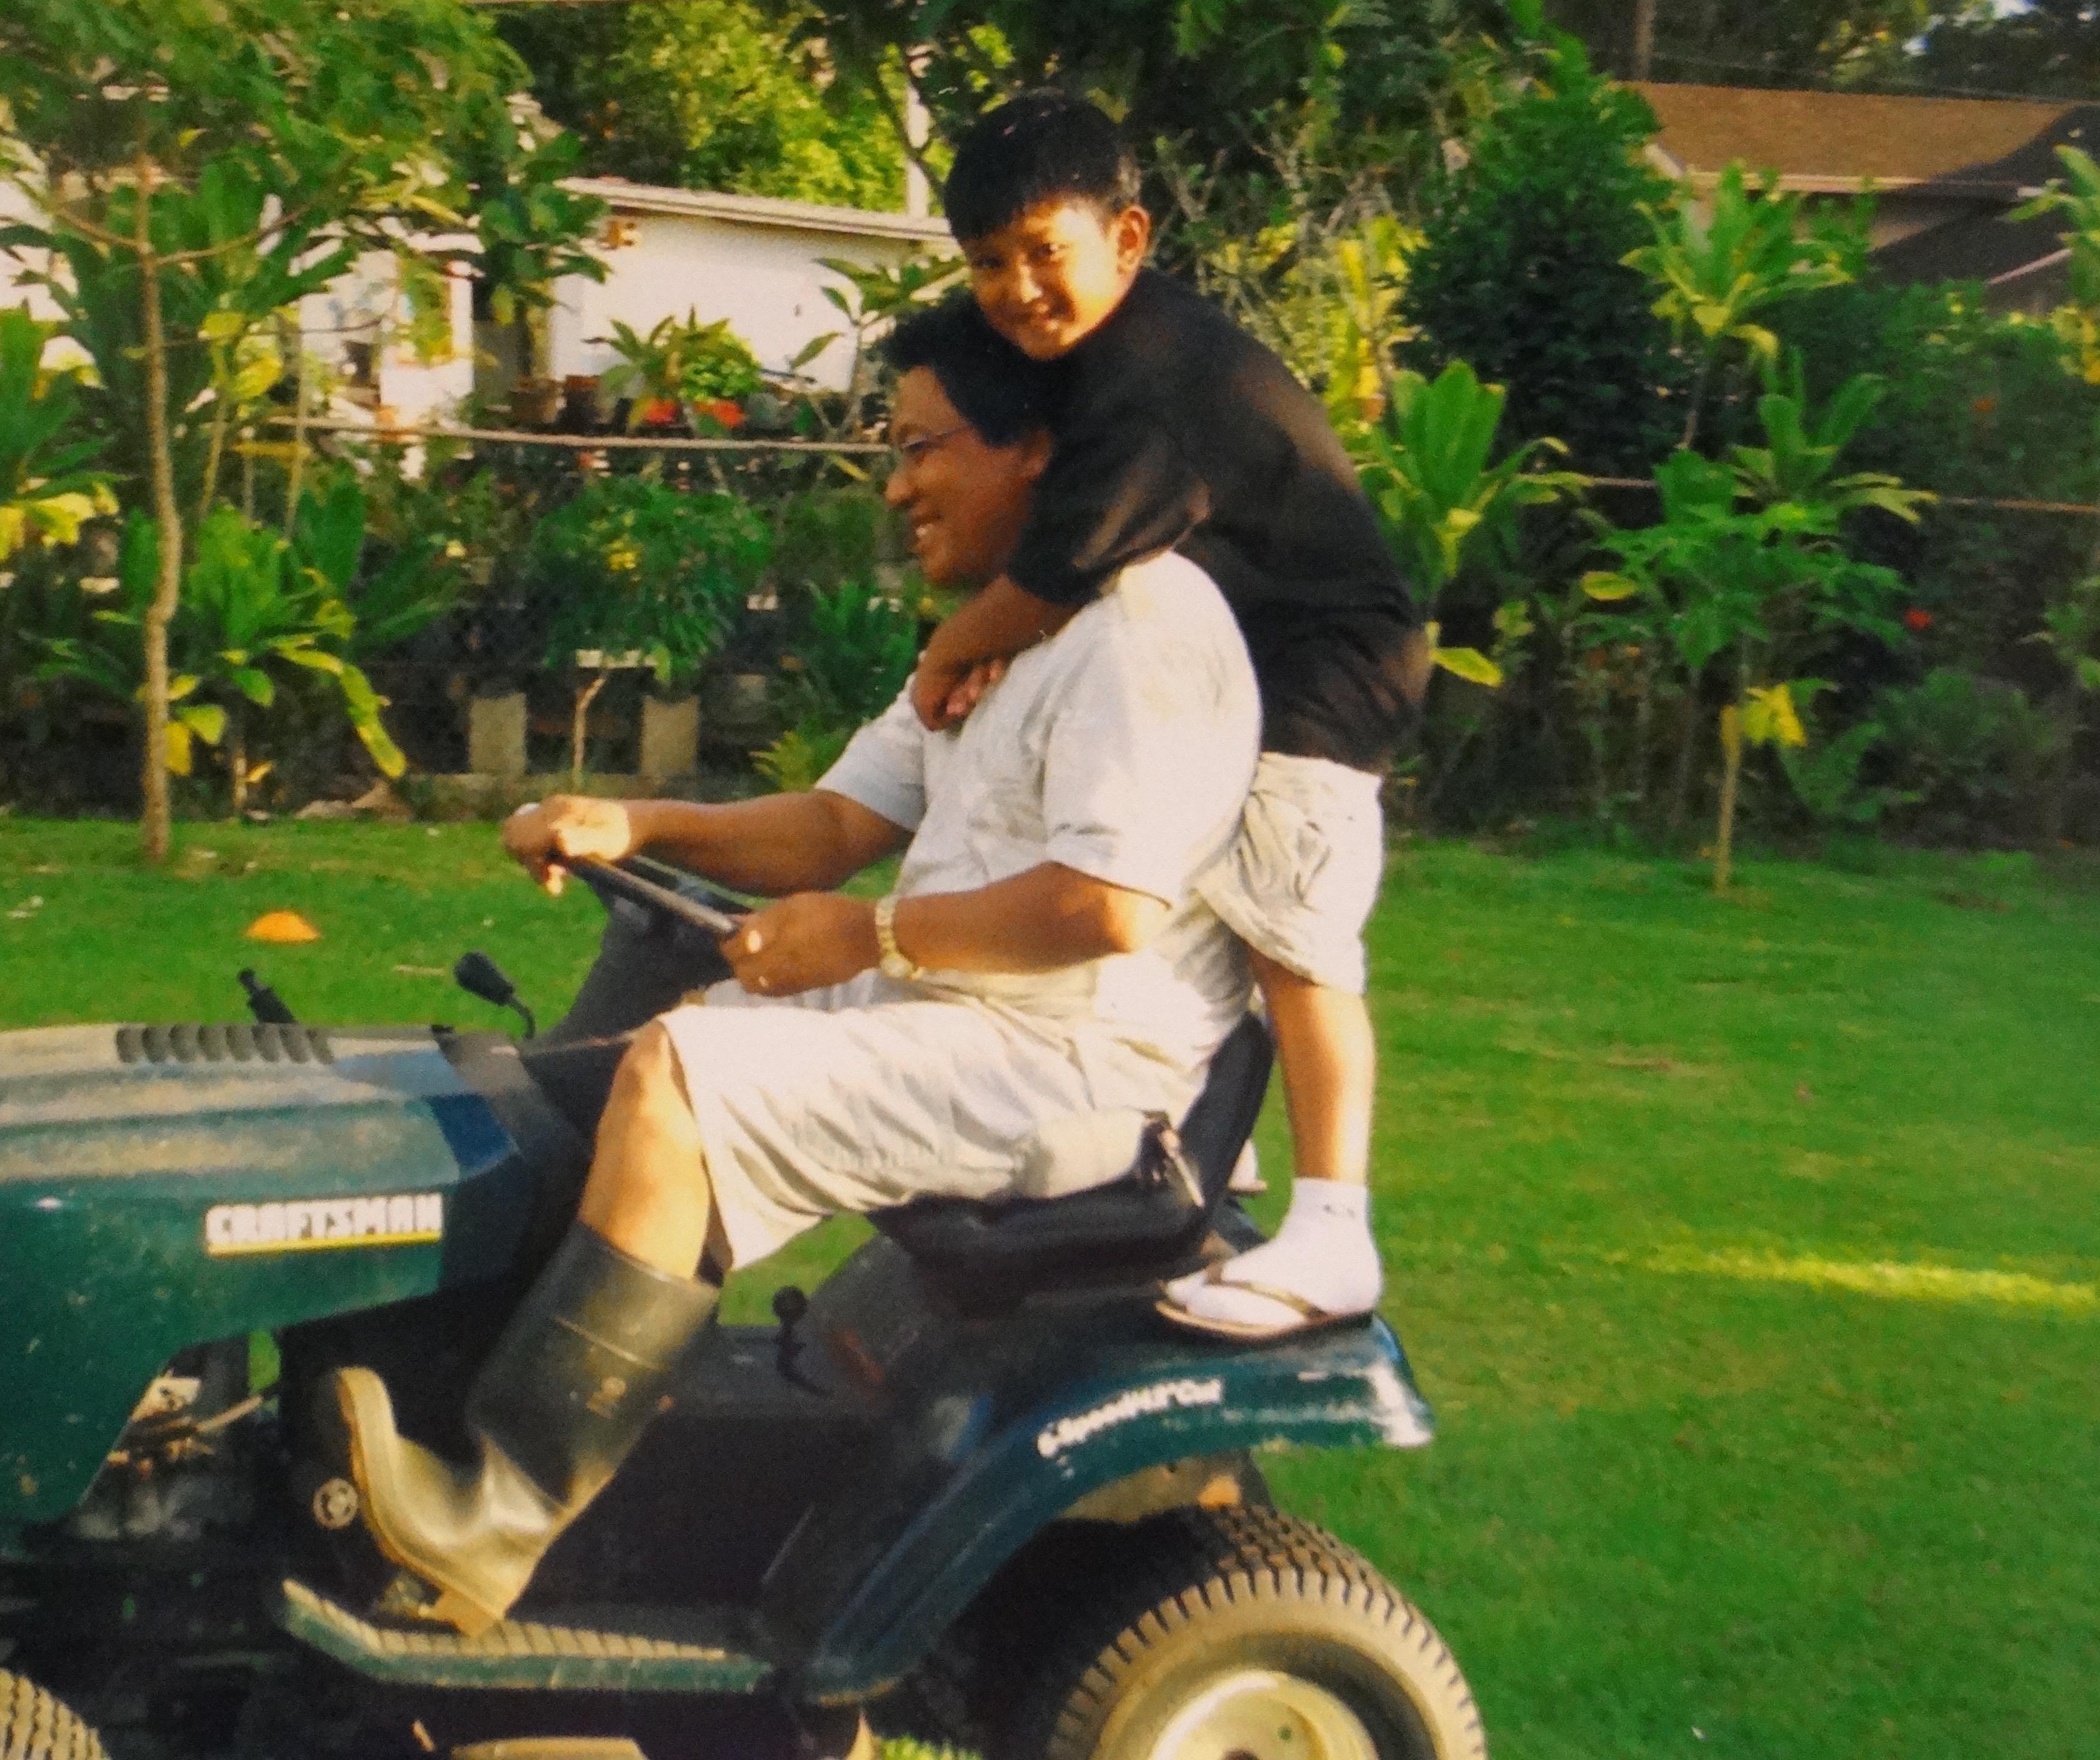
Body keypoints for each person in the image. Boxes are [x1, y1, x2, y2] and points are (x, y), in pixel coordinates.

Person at [316, 293, 1262, 1632]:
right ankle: (516, 1410)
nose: (898, 484)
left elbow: (1107, 906)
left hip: (1082, 1061)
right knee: (615, 1059)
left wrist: (871, 933)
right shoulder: (1003, 631)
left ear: (1034, 448)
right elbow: (832, 825)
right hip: (980, 1010)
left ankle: (499, 1515)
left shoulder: (1141, 628)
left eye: (924, 447)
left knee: (684, 1079)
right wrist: (635, 821)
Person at [908, 91, 1428, 1342]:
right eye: (990, 263)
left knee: (1291, 940)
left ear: (1128, 240)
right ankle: (1217, 1144)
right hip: (1245, 659)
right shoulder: (1093, 368)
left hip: (1328, 665)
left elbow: (1061, 563)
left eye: (1048, 252)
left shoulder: (1156, 375)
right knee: (1195, 902)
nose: (1020, 288)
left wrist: (950, 652)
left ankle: (1337, 1227)